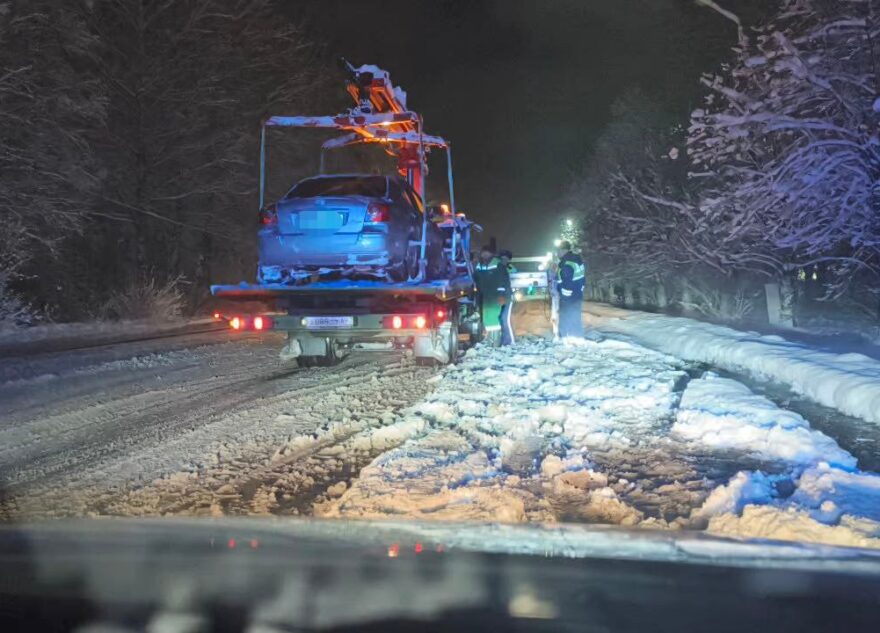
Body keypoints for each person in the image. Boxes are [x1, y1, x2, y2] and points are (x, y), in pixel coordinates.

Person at [473, 245, 513, 346]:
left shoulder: (497, 265)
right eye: (483, 253)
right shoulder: (480, 266)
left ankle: (504, 341)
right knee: (490, 318)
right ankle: (493, 341)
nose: (484, 255)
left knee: (502, 319)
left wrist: (501, 295)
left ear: (491, 254)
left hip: (500, 297)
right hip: (488, 297)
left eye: (487, 252)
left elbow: (502, 281)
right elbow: (477, 280)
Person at [556, 240, 585, 338]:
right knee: (575, 317)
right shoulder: (575, 259)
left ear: (564, 250)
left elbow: (566, 280)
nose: (557, 253)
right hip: (577, 294)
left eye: (558, 250)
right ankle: (576, 336)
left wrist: (564, 294)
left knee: (566, 316)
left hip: (568, 296)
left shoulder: (567, 262)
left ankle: (566, 337)